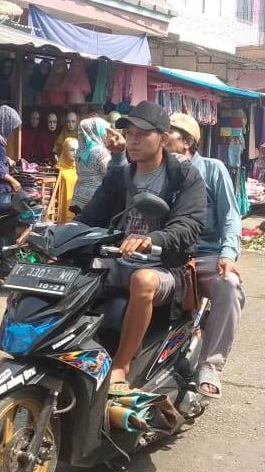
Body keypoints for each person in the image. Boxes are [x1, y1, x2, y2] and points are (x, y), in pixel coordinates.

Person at [76, 101, 206, 389]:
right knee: (70, 270)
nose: (132, 140)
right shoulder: (118, 175)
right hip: (117, 258)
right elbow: (90, 217)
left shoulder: (183, 176)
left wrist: (152, 240)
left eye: (142, 134)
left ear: (162, 138)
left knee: (143, 280)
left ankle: (122, 364)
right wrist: (54, 233)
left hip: (165, 267)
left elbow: (189, 225)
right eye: (129, 132)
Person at [166, 113, 245, 398]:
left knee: (229, 287)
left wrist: (228, 253)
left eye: (169, 134)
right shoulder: (159, 171)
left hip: (208, 256)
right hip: (170, 257)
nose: (161, 139)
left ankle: (210, 366)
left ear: (187, 142)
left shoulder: (213, 169)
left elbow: (231, 216)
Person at [71, 117, 112, 212]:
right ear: (96, 131)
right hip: (94, 199)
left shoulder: (80, 152)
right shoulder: (100, 151)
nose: (106, 134)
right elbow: (109, 174)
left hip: (78, 197)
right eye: (103, 131)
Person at [55, 138, 79, 224]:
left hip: (78, 210)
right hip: (62, 210)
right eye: (72, 150)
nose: (75, 153)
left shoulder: (82, 169)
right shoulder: (58, 170)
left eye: (77, 150)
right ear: (65, 151)